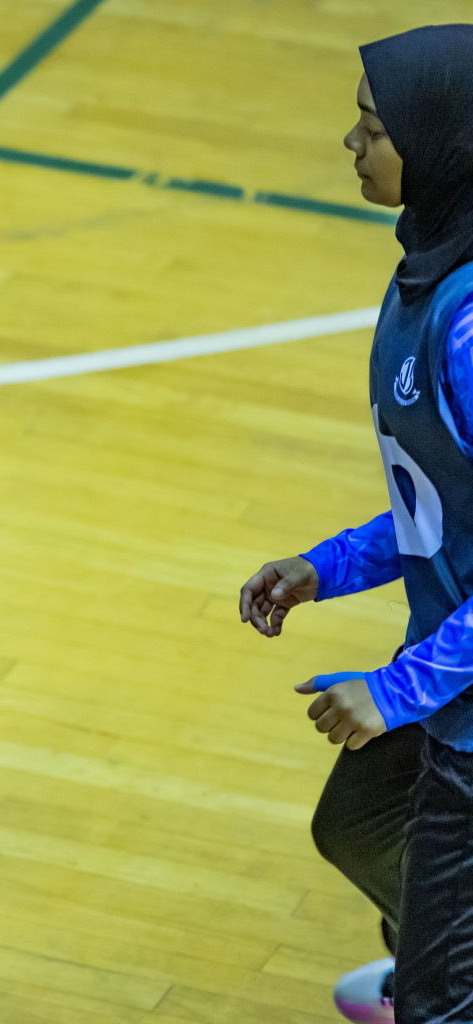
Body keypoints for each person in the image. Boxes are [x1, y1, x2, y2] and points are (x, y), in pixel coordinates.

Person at [238, 25, 473, 1024]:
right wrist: (324, 567)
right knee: (359, 824)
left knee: (439, 1000)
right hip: (453, 669)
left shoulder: (469, 327)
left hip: (457, 691)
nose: (351, 143)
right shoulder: (426, 271)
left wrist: (393, 688)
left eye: (373, 130)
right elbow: (440, 497)